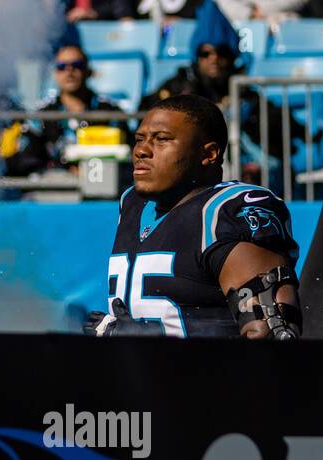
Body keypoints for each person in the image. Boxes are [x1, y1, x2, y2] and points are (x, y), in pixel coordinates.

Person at [88, 93, 302, 338]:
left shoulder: (225, 212)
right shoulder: (132, 203)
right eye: (140, 139)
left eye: (161, 139)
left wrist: (145, 344)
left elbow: (272, 335)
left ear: (209, 154)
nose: (142, 150)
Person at [139, 1, 310, 172]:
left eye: (222, 52)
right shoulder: (178, 87)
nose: (214, 59)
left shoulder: (247, 95)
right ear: (196, 57)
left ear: (232, 56)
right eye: (205, 53)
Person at [0, 43, 127, 176]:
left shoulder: (111, 112)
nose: (69, 72)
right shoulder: (42, 115)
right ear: (55, 73)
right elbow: (28, 159)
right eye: (62, 67)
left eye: (77, 65)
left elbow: (127, 155)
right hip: (56, 189)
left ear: (88, 71)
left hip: (103, 186)